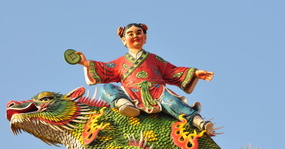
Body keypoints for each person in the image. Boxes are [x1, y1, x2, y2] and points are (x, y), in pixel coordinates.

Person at [72, 23, 214, 135]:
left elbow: (172, 71)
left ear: (145, 38)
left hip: (156, 91)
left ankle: (199, 122)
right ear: (123, 40)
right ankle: (124, 105)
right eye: (130, 34)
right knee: (106, 88)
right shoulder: (120, 62)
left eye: (139, 33)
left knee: (172, 102)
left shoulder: (154, 59)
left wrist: (195, 73)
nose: (135, 36)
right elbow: (104, 69)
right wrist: (85, 63)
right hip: (130, 92)